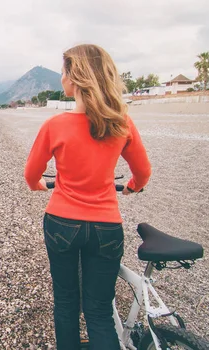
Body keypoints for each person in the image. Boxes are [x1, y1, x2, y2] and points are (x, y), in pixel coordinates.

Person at [24, 44, 151, 350]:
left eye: (64, 72)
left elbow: (31, 175)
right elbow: (143, 172)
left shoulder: (55, 126)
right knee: (99, 311)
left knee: (66, 303)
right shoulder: (121, 123)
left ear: (76, 78)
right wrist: (131, 187)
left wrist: (42, 186)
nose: (60, 79)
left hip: (61, 224)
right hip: (106, 228)